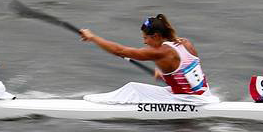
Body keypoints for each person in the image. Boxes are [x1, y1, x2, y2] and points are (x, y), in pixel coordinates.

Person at [80, 15, 215, 104]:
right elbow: (183, 68)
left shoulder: (160, 52)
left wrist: (92, 37)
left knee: (133, 89)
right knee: (138, 89)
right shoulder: (185, 43)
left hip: (188, 101)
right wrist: (163, 69)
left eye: (145, 38)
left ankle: (101, 105)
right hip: (204, 95)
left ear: (156, 36)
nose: (144, 42)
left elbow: (118, 51)